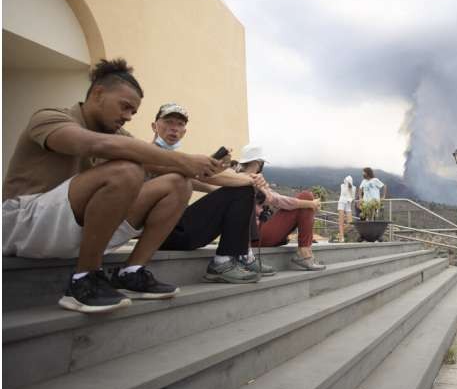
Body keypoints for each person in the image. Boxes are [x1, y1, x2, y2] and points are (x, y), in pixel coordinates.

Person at [2, 59, 223, 313]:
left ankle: (131, 272)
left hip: (73, 226)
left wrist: (243, 182)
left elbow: (170, 168)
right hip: (21, 226)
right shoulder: (49, 117)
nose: (128, 117)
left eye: (133, 112)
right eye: (125, 107)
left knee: (178, 183)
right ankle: (83, 279)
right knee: (128, 169)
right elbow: (95, 145)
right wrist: (184, 160)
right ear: (98, 94)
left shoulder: (118, 137)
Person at [150, 104, 273, 283]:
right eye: (168, 122)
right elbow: (211, 179)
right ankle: (224, 261)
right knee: (243, 189)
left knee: (241, 192)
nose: (174, 128)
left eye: (179, 124)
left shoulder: (181, 163)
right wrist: (249, 181)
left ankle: (241, 255)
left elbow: (212, 185)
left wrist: (243, 183)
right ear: (154, 126)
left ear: (184, 131)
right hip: (162, 234)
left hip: (179, 230)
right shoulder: (149, 155)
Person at [243, 146, 326, 271]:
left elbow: (276, 199)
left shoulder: (242, 177)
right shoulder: (250, 179)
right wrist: (310, 204)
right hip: (256, 236)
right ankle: (304, 253)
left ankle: (305, 252)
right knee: (306, 196)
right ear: (258, 162)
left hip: (254, 235)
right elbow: (277, 200)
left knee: (304, 200)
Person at [337, 175, 356, 242]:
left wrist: (350, 199)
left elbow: (353, 197)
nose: (346, 181)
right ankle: (341, 237)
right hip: (341, 203)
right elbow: (343, 194)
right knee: (341, 221)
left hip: (348, 204)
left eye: (348, 181)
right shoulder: (342, 186)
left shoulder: (353, 188)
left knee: (350, 223)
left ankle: (340, 233)